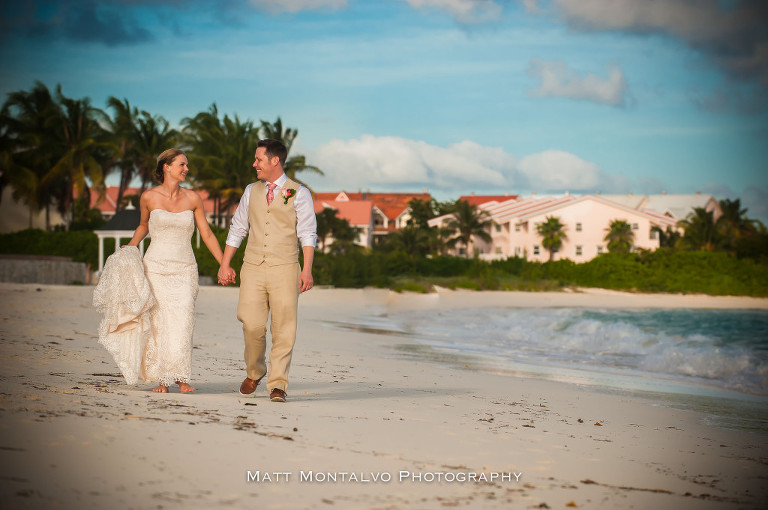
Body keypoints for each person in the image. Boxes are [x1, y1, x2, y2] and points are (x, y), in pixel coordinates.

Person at [217, 138, 317, 403]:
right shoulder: (251, 191)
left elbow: (308, 233)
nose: (254, 164)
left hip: (285, 267)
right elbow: (238, 227)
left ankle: (278, 384)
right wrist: (225, 263)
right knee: (251, 323)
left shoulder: (300, 193)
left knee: (284, 328)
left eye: (258, 159)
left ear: (275, 161)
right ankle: (255, 370)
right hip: (252, 266)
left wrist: (306, 270)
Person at [126, 148, 226, 393]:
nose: (186, 169)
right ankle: (163, 379)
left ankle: (182, 377)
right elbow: (142, 227)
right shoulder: (148, 197)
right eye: (182, 164)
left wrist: (224, 263)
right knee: (159, 322)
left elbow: (208, 234)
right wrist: (128, 248)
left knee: (183, 321)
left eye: (187, 165)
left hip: (184, 269)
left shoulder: (193, 198)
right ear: (166, 167)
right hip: (156, 267)